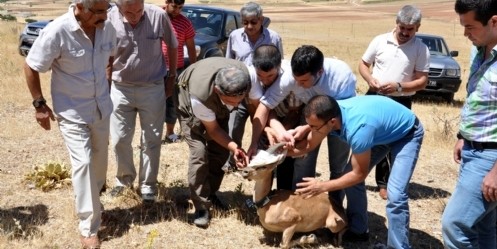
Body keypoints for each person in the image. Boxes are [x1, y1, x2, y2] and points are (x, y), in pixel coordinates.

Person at [23, 0, 116, 247]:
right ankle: (88, 228)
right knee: (83, 163)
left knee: (99, 163)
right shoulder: (57, 31)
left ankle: (94, 201)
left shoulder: (107, 26)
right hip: (72, 111)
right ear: (79, 8)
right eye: (98, 11)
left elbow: (111, 56)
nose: (104, 16)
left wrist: (107, 78)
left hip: (102, 108)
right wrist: (39, 104)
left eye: (106, 10)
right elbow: (32, 66)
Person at [289, 95, 424, 249]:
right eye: (309, 125)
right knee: (348, 177)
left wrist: (321, 186)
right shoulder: (331, 111)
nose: (311, 131)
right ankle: (359, 231)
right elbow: (308, 145)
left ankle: (398, 247)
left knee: (396, 195)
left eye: (314, 127)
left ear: (332, 122)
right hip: (379, 132)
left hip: (406, 134)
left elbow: (359, 174)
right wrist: (282, 153)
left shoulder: (358, 130)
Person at [247, 45, 355, 191]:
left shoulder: (341, 77)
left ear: (319, 72)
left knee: (338, 165)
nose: (297, 84)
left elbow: (338, 115)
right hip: (311, 115)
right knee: (303, 160)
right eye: (295, 79)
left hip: (340, 120)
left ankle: (334, 204)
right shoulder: (291, 77)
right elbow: (264, 106)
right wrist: (255, 142)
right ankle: (300, 203)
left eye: (303, 81)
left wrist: (305, 128)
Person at [107, 0, 178, 202]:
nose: (135, 15)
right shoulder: (110, 18)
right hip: (121, 88)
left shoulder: (158, 15)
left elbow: (172, 44)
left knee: (152, 139)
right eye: (129, 12)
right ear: (120, 7)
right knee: (120, 138)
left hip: (153, 86)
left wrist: (171, 77)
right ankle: (123, 181)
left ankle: (148, 185)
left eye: (139, 10)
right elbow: (106, 54)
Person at [358, 4, 430, 200]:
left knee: (391, 142)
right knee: (367, 139)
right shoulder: (380, 41)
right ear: (396, 23)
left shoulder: (421, 49)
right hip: (374, 97)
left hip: (401, 102)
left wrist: (399, 87)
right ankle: (357, 175)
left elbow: (422, 81)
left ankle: (385, 183)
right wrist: (369, 79)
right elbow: (363, 64)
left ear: (418, 27)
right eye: (402, 28)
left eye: (410, 29)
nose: (405, 33)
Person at [441, 1, 497, 248]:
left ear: (494, 21)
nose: (465, 34)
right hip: (472, 150)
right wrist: (463, 135)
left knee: (454, 225)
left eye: (470, 27)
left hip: (491, 157)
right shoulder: (479, 49)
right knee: (483, 226)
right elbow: (477, 98)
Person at [174, 57, 251, 228]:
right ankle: (201, 207)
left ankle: (210, 193)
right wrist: (234, 146)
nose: (236, 105)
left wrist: (234, 149)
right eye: (231, 102)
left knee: (221, 152)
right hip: (188, 103)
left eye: (239, 101)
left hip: (215, 106)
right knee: (199, 154)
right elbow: (214, 130)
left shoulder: (245, 78)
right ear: (217, 90)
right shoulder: (200, 96)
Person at [224, 1, 284, 169]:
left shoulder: (274, 38)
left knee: (264, 128)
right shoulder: (235, 36)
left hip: (265, 94)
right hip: (240, 93)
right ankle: (232, 162)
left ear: (261, 19)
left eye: (253, 22)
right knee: (233, 128)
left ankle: (263, 161)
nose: (249, 26)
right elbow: (229, 64)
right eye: (245, 22)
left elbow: (279, 65)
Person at [161, 0, 197, 143]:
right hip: (155, 69)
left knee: (172, 102)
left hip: (176, 69)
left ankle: (169, 133)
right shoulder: (156, 16)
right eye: (174, 6)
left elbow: (191, 47)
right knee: (154, 103)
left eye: (180, 8)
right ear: (167, 2)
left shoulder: (185, 23)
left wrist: (194, 68)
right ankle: (153, 134)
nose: (177, 10)